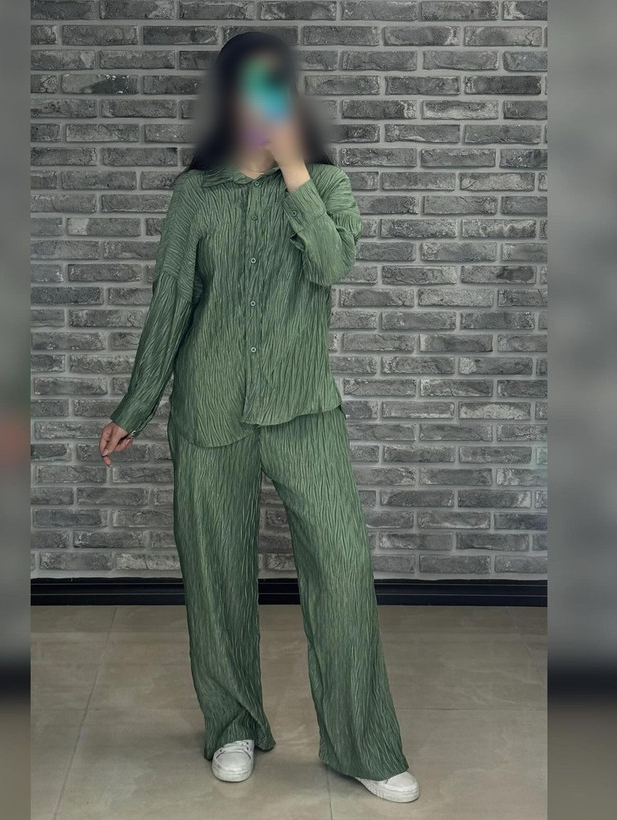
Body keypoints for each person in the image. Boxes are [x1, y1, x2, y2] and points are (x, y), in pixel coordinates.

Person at [98, 31, 419, 804]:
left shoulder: (326, 185)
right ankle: (232, 724)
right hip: (209, 410)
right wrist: (136, 405)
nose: (261, 101)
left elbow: (333, 264)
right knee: (215, 573)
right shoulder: (195, 194)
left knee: (342, 568)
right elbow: (171, 303)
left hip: (304, 409)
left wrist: (294, 169)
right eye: (249, 87)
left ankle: (364, 744)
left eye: (276, 86)